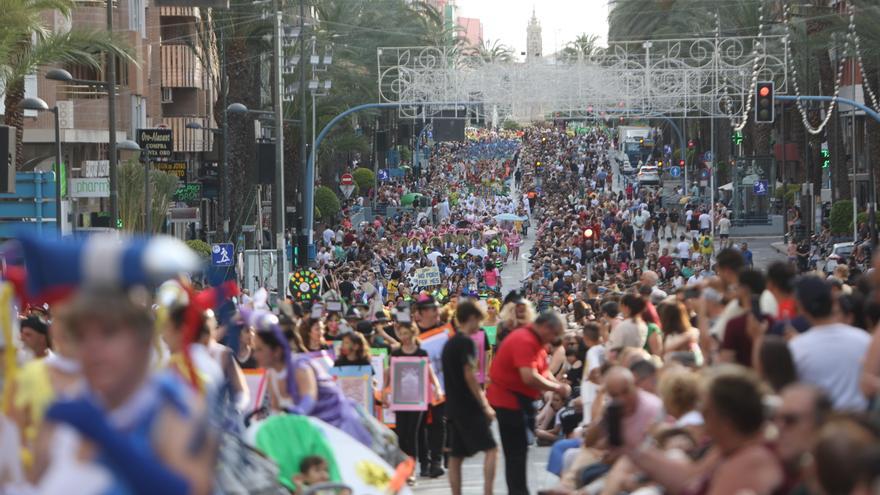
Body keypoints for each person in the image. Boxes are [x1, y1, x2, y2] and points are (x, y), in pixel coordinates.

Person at [34, 290, 216, 495]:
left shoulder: (175, 407)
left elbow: (195, 488)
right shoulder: (66, 409)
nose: (93, 348)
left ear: (143, 340)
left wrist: (108, 440)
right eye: (82, 336)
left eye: (109, 333)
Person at [624, 366, 785, 495]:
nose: (702, 418)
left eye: (706, 412)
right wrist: (633, 449)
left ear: (725, 420)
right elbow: (689, 478)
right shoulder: (727, 449)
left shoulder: (752, 460)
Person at [487, 310, 571, 495]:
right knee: (515, 453)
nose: (554, 339)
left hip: (519, 401)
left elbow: (542, 370)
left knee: (520, 451)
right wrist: (556, 388)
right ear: (545, 327)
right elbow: (529, 376)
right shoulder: (524, 340)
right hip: (509, 402)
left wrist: (557, 384)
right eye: (554, 334)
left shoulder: (535, 340)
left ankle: (519, 490)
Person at [787, 276, 871, 410]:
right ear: (833, 302)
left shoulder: (796, 347)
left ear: (801, 307)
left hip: (820, 423)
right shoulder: (864, 339)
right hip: (860, 422)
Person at [442, 300, 498, 495]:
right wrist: (484, 404)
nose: (479, 326)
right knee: (491, 449)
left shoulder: (449, 343)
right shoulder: (466, 342)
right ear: (472, 318)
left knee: (456, 457)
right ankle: (488, 491)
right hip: (468, 406)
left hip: (453, 407)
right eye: (478, 321)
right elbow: (469, 375)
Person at [413, 294, 452, 478]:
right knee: (419, 427)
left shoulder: (446, 332)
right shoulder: (412, 335)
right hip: (416, 388)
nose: (436, 312)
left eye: (437, 308)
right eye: (431, 309)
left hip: (440, 389)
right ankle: (424, 461)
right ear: (420, 313)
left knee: (438, 423)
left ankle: (436, 460)